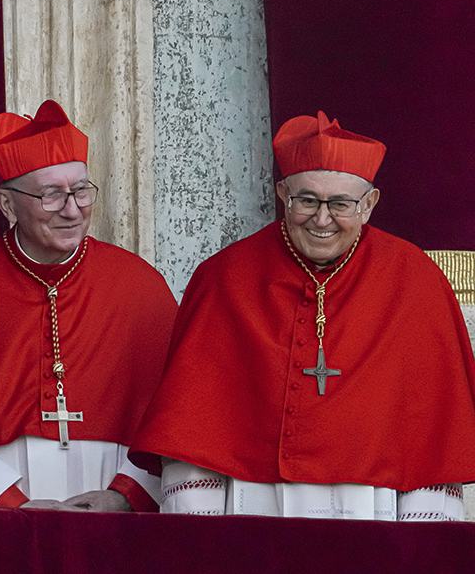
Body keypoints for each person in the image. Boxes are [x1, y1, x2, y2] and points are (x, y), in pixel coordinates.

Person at [130, 111, 475, 521]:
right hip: (253, 512)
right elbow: (190, 431)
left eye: (341, 203)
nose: (322, 219)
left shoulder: (416, 281)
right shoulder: (225, 277)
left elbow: (433, 439)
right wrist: (198, 542)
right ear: (282, 193)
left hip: (376, 513)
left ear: (369, 204)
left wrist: (423, 549)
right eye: (307, 200)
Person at [0, 100, 178, 511]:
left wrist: (125, 496)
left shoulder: (141, 287)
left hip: (119, 516)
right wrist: (14, 507)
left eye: (81, 191)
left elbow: (173, 420)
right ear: (7, 205)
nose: (72, 209)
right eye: (51, 195)